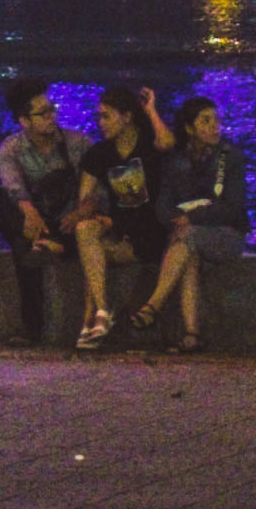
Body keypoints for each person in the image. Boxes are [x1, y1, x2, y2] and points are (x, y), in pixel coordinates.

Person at [126, 90, 240, 350]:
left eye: (216, 120)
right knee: (189, 252)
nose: (215, 127)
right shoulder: (176, 162)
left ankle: (153, 306)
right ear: (189, 128)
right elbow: (163, 205)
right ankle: (191, 335)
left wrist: (193, 217)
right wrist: (175, 218)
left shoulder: (230, 158)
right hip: (187, 235)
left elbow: (232, 208)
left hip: (225, 234)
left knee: (186, 238)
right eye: (206, 121)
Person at [0, 81, 88, 344]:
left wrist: (79, 213)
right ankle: (41, 239)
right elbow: (13, 186)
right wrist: (29, 212)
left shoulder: (77, 143)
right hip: (31, 219)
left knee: (22, 244)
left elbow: (95, 189)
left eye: (52, 110)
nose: (51, 117)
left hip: (66, 222)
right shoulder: (12, 147)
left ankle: (32, 329)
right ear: (24, 120)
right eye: (43, 113)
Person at [75, 83, 175, 350]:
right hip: (120, 233)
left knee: (91, 260)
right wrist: (90, 208)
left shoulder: (148, 144)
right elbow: (85, 198)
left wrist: (150, 110)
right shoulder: (99, 154)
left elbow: (167, 142)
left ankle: (89, 322)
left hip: (150, 234)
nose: (101, 123)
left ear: (127, 117)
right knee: (85, 232)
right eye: (99, 116)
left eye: (107, 116)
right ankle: (102, 312)